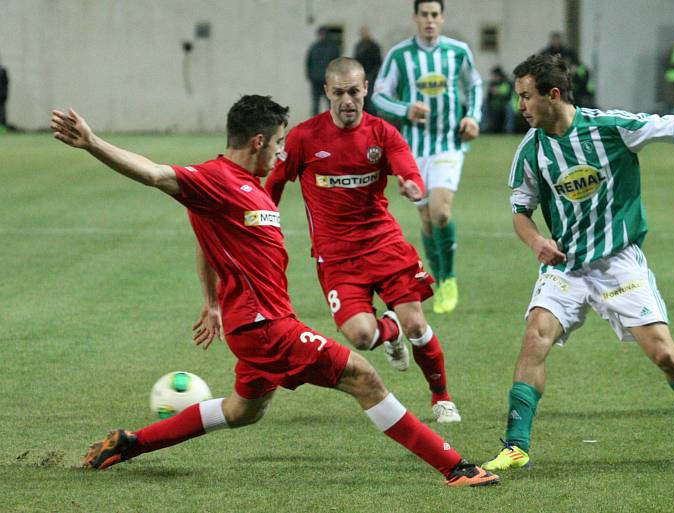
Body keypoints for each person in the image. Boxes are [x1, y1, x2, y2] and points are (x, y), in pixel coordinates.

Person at [51, 95, 498, 487]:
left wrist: (211, 302)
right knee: (364, 376)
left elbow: (205, 240)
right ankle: (455, 467)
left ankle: (130, 443)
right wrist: (93, 143)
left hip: (258, 324)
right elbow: (153, 173)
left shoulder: (254, 191)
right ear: (259, 142)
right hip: (267, 327)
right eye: (280, 143)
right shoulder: (216, 179)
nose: (283, 152)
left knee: (242, 411)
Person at [482, 54, 674, 471]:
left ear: (552, 95)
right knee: (535, 337)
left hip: (618, 262)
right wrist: (537, 240)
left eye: (526, 97)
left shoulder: (610, 127)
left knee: (665, 355)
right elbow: (521, 209)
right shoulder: (531, 150)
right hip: (566, 265)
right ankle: (516, 446)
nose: (519, 106)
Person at [264, 58, 461, 423]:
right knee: (360, 336)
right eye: (339, 93)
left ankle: (441, 397)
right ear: (327, 92)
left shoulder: (382, 133)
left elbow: (406, 164)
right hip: (336, 258)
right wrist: (263, 223)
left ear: (366, 89)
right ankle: (390, 331)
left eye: (354, 92)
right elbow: (273, 185)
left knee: (417, 324)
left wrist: (411, 182)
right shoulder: (305, 138)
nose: (347, 101)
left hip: (384, 245)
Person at [372, 0, 483, 315]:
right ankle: (439, 276)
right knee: (425, 218)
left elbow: (474, 84)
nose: (430, 21)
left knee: (441, 212)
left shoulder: (457, 52)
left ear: (443, 18)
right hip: (412, 149)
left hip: (448, 144)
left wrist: (473, 117)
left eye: (435, 15)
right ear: (415, 18)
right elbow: (379, 94)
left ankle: (448, 279)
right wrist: (405, 109)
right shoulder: (400, 55)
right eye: (425, 15)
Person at [306, 27, 341, 116]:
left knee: (330, 104)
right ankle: (315, 125)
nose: (322, 36)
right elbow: (308, 63)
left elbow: (337, 64)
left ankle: (331, 124)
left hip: (328, 81)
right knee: (315, 105)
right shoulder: (314, 48)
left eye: (323, 34)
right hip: (316, 81)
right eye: (320, 34)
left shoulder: (333, 48)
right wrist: (310, 76)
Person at [353, 26, 382, 115]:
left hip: (371, 78)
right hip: (360, 78)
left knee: (370, 104)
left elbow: (378, 62)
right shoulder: (358, 46)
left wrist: (372, 75)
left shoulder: (374, 46)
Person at [484, 66, 513, 134]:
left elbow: (508, 96)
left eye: (495, 76)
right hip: (495, 105)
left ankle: (509, 129)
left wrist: (498, 92)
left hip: (504, 104)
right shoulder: (492, 84)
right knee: (485, 104)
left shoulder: (507, 83)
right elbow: (488, 97)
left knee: (509, 107)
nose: (494, 78)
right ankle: (485, 127)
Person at [0, 57, 8, 130]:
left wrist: (5, 94)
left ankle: (2, 126)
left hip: (2, 95)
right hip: (3, 94)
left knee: (2, 111)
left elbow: (6, 83)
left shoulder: (3, 70)